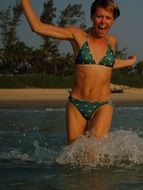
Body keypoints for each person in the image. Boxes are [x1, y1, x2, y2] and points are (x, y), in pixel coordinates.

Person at [21, 0, 137, 144]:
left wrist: (129, 62)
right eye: (99, 16)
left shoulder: (112, 41)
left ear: (113, 21)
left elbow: (107, 65)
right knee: (74, 157)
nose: (103, 22)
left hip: (102, 105)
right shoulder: (77, 35)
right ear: (92, 17)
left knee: (93, 153)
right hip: (76, 105)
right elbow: (37, 27)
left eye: (108, 18)